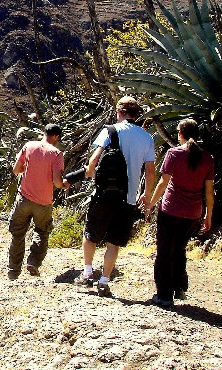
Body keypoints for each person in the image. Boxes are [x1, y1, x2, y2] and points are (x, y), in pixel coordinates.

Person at [74, 96, 156, 296]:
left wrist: (90, 173)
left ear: (119, 112)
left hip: (104, 194)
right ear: (137, 114)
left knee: (91, 234)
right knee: (114, 241)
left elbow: (94, 159)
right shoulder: (147, 138)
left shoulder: (110, 131)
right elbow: (150, 171)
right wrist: (146, 194)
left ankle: (87, 273)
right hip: (128, 199)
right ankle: (104, 281)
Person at [144, 118, 214, 307]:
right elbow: (209, 191)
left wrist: (150, 204)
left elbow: (163, 183)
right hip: (193, 213)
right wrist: (208, 215)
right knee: (179, 249)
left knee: (164, 252)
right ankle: (179, 287)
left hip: (171, 210)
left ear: (180, 134)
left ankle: (164, 296)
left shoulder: (173, 154)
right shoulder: (207, 158)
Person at [7, 123, 69, 279]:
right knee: (42, 232)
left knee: (18, 234)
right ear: (56, 137)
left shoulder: (29, 146)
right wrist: (64, 184)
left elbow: (16, 170)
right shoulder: (57, 154)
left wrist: (29, 170)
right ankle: (33, 262)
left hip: (24, 198)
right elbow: (57, 182)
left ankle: (13, 271)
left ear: (44, 133)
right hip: (43, 202)